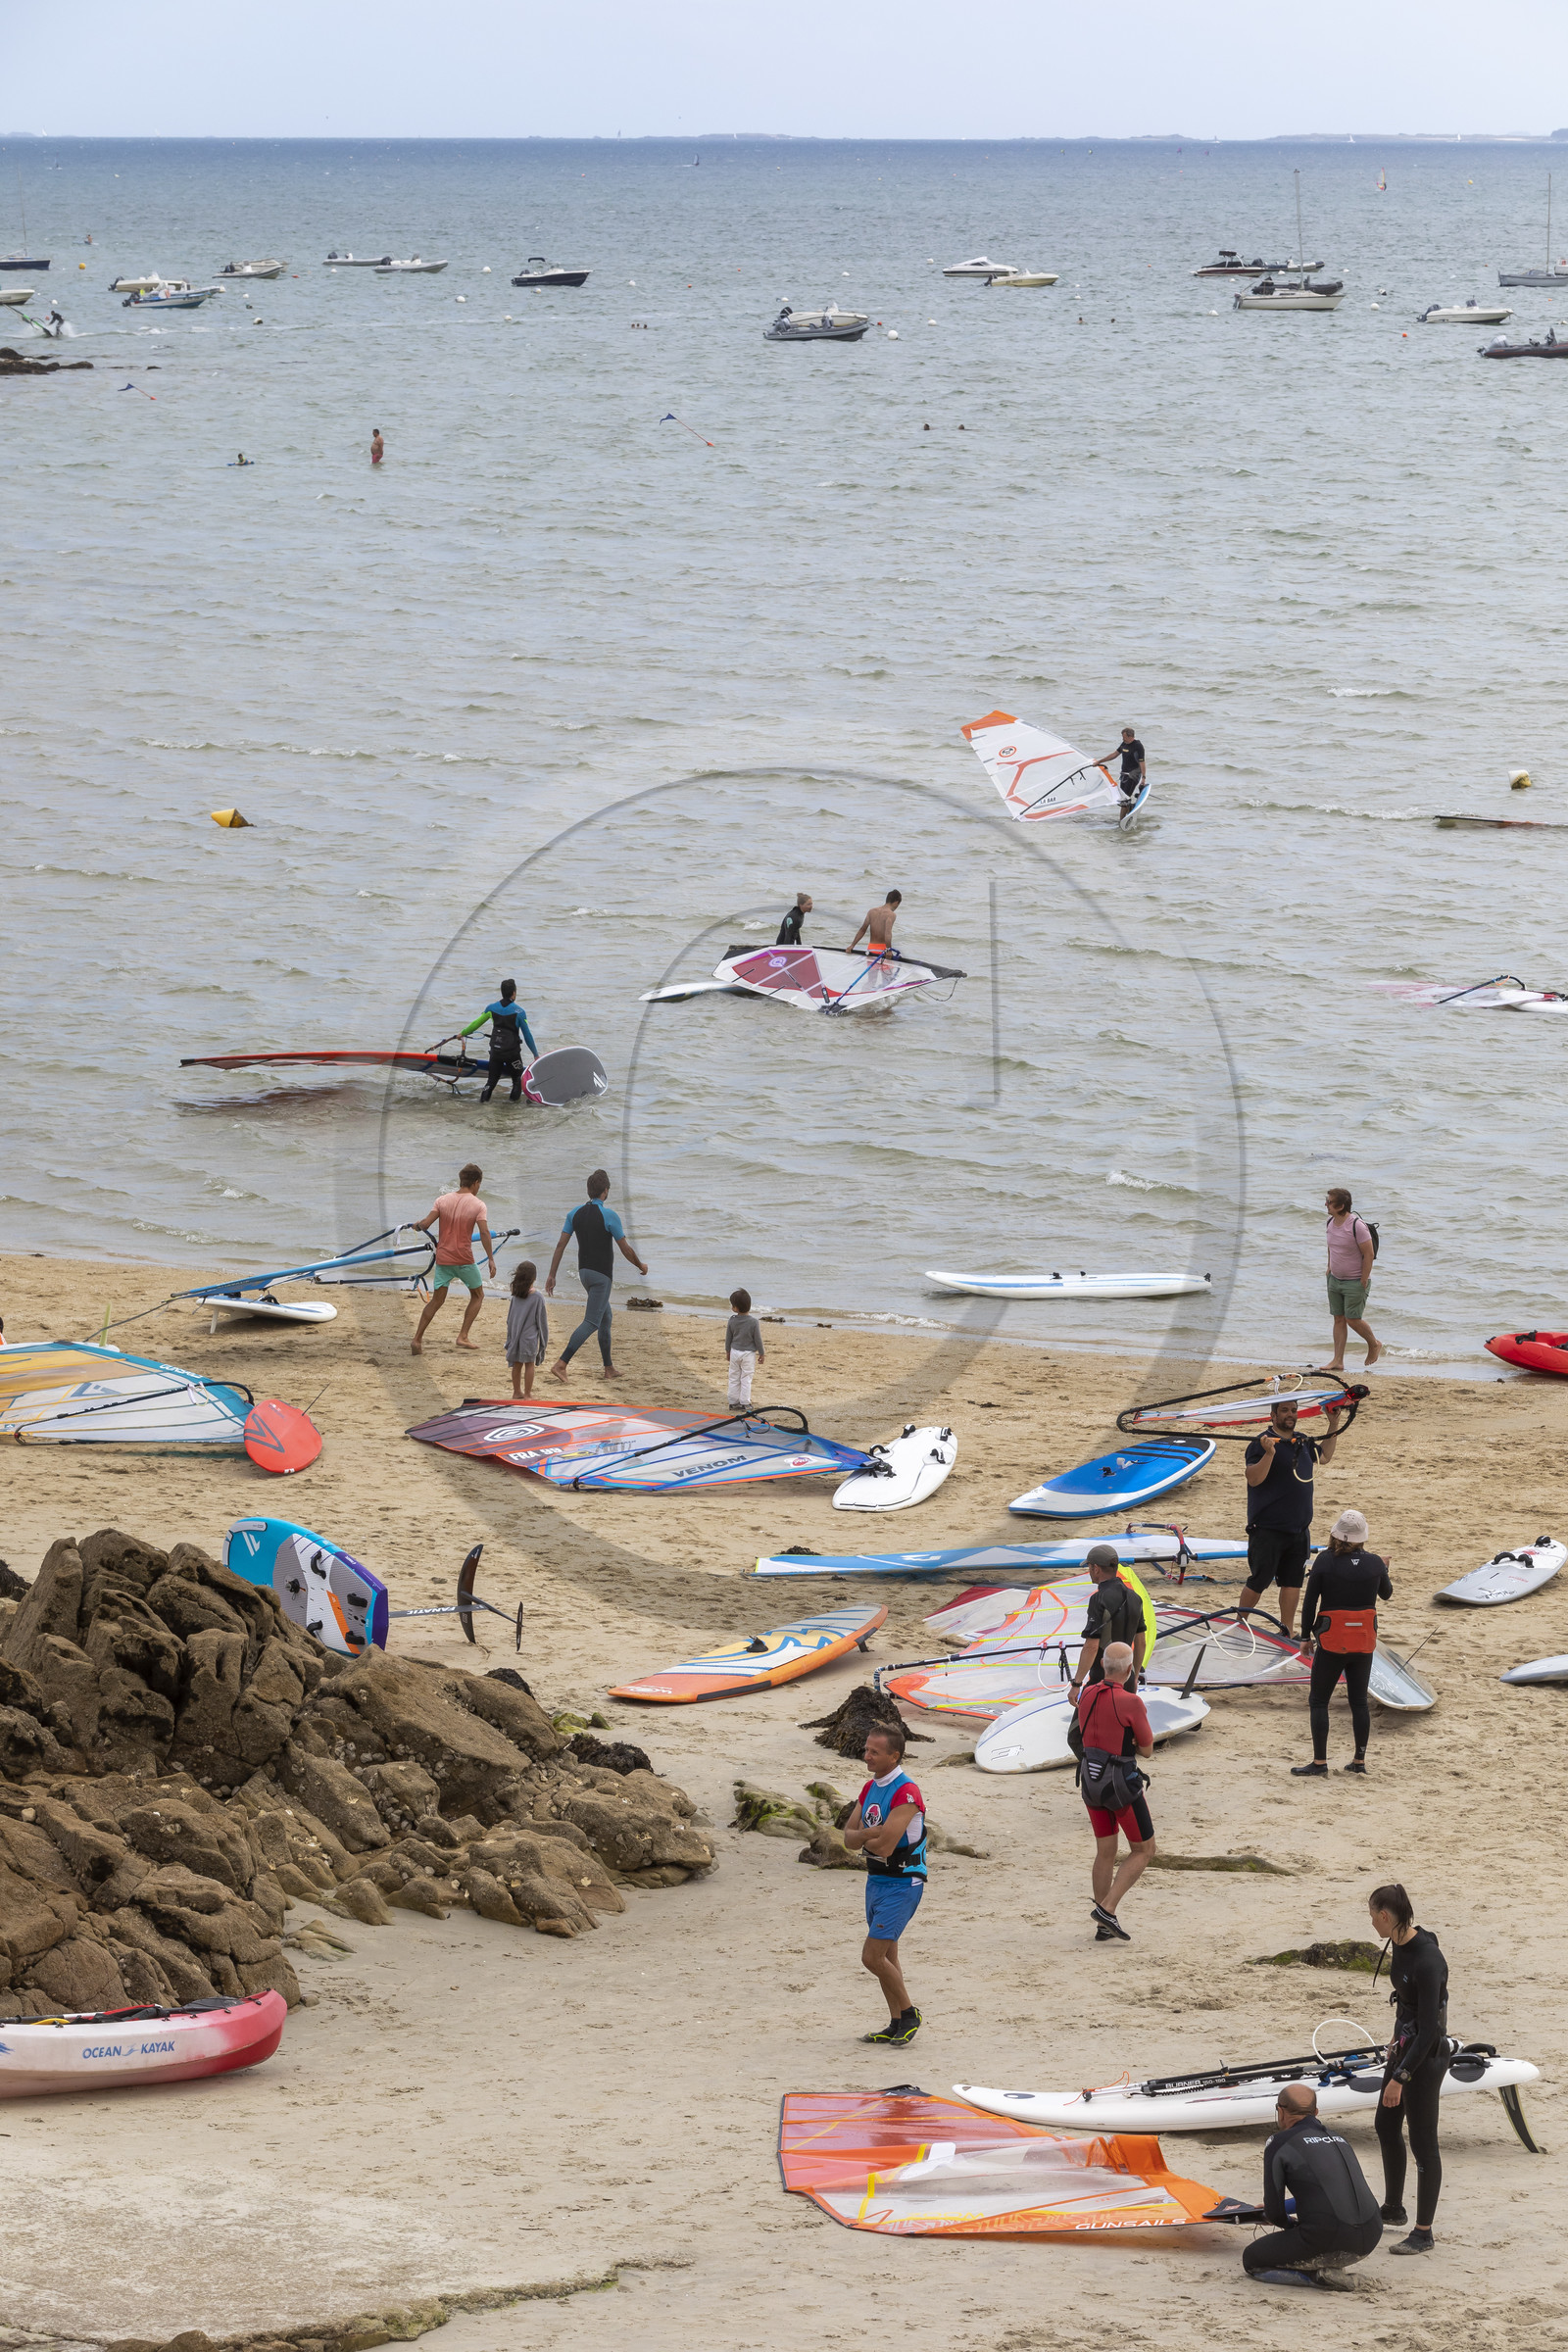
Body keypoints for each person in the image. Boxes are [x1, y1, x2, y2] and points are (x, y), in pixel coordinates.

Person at [1369, 1883, 1448, 2255]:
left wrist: (1402, 2077)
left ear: (1386, 1916)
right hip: (1404, 2047)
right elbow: (1406, 2004)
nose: (1371, 1922)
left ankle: (1424, 2231)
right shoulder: (1398, 1945)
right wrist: (1394, 2040)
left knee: (1423, 2142)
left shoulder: (1428, 1958)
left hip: (1427, 2056)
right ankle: (1394, 2208)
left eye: (1372, 1916)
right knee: (1385, 2123)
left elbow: (1431, 2027)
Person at [1242, 2082, 1383, 2282]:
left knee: (1252, 2259)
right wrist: (1285, 2208)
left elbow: (1275, 2216)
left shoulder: (1279, 2142)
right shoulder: (1339, 2138)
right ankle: (1325, 2266)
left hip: (1329, 2240)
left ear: (1280, 2111)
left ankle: (1316, 2278)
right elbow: (1327, 2191)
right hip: (1370, 2237)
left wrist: (1289, 2222)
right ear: (1316, 2112)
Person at [842, 1720, 926, 2045]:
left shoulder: (906, 1792)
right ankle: (895, 2022)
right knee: (887, 1957)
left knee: (872, 1957)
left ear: (894, 1756)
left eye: (874, 1752)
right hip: (876, 1880)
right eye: (867, 1750)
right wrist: (867, 1835)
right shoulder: (870, 1788)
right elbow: (849, 1838)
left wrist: (865, 1838)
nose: (867, 1756)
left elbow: (886, 1846)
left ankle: (909, 2013)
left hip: (903, 1883)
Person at [1292, 1508, 1391, 1777]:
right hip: (1363, 1641)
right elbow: (1387, 1594)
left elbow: (1310, 1602)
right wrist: (1384, 1569)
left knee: (1319, 1701)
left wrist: (1304, 1637)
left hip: (1332, 1641)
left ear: (1336, 1534)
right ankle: (1359, 1761)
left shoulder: (1324, 1561)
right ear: (1362, 1537)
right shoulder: (1375, 1563)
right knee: (1358, 1702)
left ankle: (1320, 1763)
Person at [1239, 1396, 1345, 1639]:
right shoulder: (1260, 1443)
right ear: (1273, 1416)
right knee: (1259, 1579)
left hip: (1298, 1528)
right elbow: (1253, 1478)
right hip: (1267, 1527)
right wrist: (1269, 1454)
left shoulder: (1303, 1441)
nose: (1290, 1414)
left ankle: (1287, 1630)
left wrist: (1332, 1424)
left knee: (1293, 1582)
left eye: (1294, 1410)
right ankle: (1239, 1623)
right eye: (1284, 1410)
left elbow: (1325, 1457)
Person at [1075, 1642, 1154, 1942]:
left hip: (1090, 1780)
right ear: (1130, 1668)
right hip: (1120, 1784)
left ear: (1105, 1666)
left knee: (1105, 1851)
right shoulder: (1131, 1701)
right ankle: (1107, 1910)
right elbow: (1146, 1749)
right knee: (1144, 1850)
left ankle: (1102, 1924)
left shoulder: (1087, 1692)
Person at [545, 1170, 647, 1382]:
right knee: (591, 1322)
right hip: (601, 1277)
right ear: (605, 1191)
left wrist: (552, 1275)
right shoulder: (609, 1215)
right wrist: (640, 1265)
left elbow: (560, 1245)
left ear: (589, 1191)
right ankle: (561, 1364)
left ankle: (608, 1368)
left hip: (584, 1274)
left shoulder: (575, 1213)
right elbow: (625, 1249)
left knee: (605, 1317)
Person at [410, 1164, 496, 1354]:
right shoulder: (478, 1205)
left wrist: (416, 1225)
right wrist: (490, 1258)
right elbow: (484, 1233)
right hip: (464, 1259)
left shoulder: (442, 1200)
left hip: (443, 1259)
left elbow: (425, 1224)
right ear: (476, 1183)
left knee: (437, 1301)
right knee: (478, 1295)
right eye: (479, 1184)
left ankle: (417, 1339)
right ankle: (463, 1336)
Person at [1065, 1545, 1150, 1696]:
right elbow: (1141, 1642)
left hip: (1102, 1682)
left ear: (1096, 1569)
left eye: (1089, 1567)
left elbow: (1091, 1646)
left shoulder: (1098, 1599)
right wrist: (1135, 1677)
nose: (1089, 1571)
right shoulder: (1135, 1597)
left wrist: (1076, 1684)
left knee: (1082, 1720)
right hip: (1127, 1681)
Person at [1325, 1188, 1382, 1370]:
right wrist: (1329, 1267)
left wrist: (1363, 1279)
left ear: (1340, 1206)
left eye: (1329, 1201)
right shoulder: (1330, 1222)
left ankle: (1374, 1344)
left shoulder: (1357, 1226)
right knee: (1338, 1319)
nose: (1326, 1204)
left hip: (1355, 1281)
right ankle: (1337, 1361)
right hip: (1334, 1279)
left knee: (1353, 1319)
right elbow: (1331, 1247)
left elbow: (1369, 1253)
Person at [457, 981, 539, 1105]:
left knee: (491, 1081)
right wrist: (535, 1054)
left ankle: (483, 1104)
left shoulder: (491, 1008)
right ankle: (511, 1106)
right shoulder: (519, 1012)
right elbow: (528, 1036)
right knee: (517, 1080)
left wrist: (462, 1033)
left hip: (496, 1052)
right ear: (514, 993)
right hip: (512, 1053)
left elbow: (475, 1024)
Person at [505, 1260, 549, 1399]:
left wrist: (510, 1338)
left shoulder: (516, 1296)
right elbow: (542, 1322)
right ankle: (528, 1393)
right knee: (529, 1364)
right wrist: (543, 1341)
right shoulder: (537, 1297)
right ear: (534, 1278)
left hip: (516, 1336)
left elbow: (510, 1319)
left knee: (517, 1364)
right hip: (529, 1338)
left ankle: (516, 1392)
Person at [725, 1287, 764, 1409]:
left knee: (734, 1376)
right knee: (746, 1378)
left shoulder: (732, 1320)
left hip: (735, 1352)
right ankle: (745, 1402)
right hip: (748, 1354)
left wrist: (728, 1351)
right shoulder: (753, 1322)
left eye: (733, 1305)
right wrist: (762, 1353)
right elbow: (758, 1339)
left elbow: (728, 1338)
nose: (732, 1307)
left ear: (736, 1308)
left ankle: (733, 1401)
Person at [1095, 727, 1147, 809]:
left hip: (1133, 775)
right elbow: (1114, 754)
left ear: (1130, 736)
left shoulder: (1138, 746)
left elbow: (1142, 762)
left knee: (1125, 799)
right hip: (1124, 774)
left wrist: (1143, 778)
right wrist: (1100, 761)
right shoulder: (1124, 744)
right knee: (1123, 799)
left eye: (1124, 737)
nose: (1123, 739)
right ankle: (1127, 813)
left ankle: (1126, 816)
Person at [850, 890, 902, 957]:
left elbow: (862, 930)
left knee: (872, 968)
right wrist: (889, 950)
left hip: (870, 949)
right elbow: (887, 933)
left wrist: (852, 945)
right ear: (896, 903)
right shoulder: (891, 915)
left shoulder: (872, 912)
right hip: (882, 951)